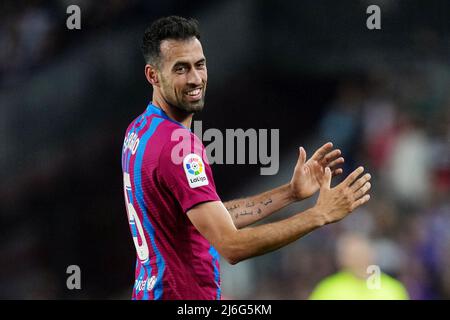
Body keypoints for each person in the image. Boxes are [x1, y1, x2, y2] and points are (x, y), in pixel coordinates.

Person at [121, 16, 372, 300]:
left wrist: (289, 194)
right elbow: (231, 246)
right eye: (180, 69)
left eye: (199, 65)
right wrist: (319, 214)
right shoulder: (176, 146)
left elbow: (210, 220)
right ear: (153, 75)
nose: (195, 78)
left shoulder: (139, 131)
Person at [309, 233, 409, 300]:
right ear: (342, 260)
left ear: (373, 254)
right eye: (353, 255)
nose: (360, 260)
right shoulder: (328, 289)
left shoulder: (392, 289)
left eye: (362, 253)